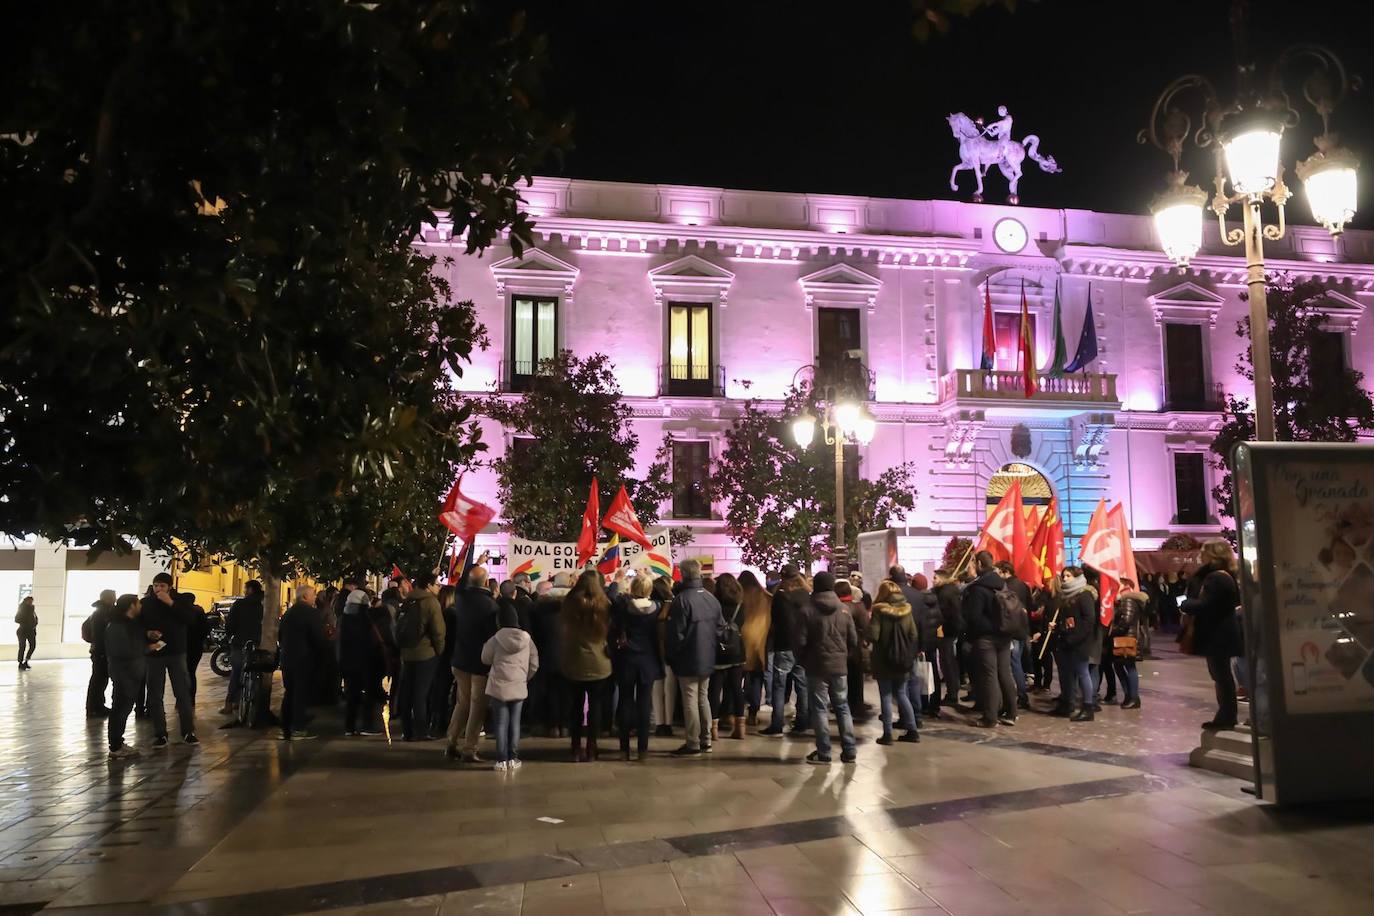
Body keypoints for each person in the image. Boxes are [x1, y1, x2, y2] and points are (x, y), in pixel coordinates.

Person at [797, 571, 859, 764]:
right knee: (842, 707)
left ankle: (824, 752)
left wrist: (804, 660)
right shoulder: (844, 610)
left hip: (816, 666)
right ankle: (849, 750)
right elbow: (853, 639)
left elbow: (800, 642)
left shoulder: (806, 610)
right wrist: (843, 655)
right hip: (839, 665)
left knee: (820, 708)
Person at [1182, 539, 1243, 730]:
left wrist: (1185, 604)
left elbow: (1208, 605)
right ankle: (1225, 714)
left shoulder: (1218, 578)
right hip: (1217, 633)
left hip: (1219, 634)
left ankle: (1227, 715)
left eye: (1204, 551)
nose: (1201, 554)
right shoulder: (1215, 576)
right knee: (1219, 674)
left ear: (1214, 554)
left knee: (1221, 675)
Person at [667, 559, 724, 757]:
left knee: (690, 698)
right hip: (708, 655)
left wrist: (672, 656)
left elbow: (676, 634)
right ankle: (705, 740)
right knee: (703, 698)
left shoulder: (681, 600)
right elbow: (720, 628)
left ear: (683, 574)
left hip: (688, 657)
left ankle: (692, 742)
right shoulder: (710, 598)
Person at [447, 565, 498, 762]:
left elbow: (460, 585)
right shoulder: (491, 606)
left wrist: (476, 561)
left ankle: (451, 741)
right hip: (480, 663)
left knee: (462, 703)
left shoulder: (461, 599)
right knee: (478, 707)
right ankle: (469, 748)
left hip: (460, 660)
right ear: (486, 582)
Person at [961, 552, 1018, 729]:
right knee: (1005, 673)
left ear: (979, 564)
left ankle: (990, 717)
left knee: (989, 676)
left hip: (986, 638)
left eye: (972, 564)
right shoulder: (1002, 584)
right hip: (1004, 634)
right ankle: (1011, 712)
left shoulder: (978, 588)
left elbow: (974, 618)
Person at [561, 569, 613, 761]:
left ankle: (575, 747)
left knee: (575, 706)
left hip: (573, 660)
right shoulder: (605, 605)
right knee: (596, 706)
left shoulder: (569, 603)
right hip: (599, 662)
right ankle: (592, 746)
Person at [141, 574, 198, 748]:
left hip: (176, 652)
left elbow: (190, 619)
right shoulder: (146, 603)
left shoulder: (180, 601)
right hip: (155, 653)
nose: (158, 589)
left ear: (170, 588)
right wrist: (147, 633)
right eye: (156, 585)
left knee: (182, 693)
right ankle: (160, 733)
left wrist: (170, 603)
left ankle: (188, 731)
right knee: (154, 694)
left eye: (162, 586)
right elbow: (138, 623)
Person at [610, 574, 663, 760]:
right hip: (647, 660)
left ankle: (624, 747)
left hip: (627, 658)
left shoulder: (623, 607)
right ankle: (643, 748)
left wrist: (618, 581)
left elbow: (613, 596)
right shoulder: (657, 608)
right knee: (644, 705)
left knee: (625, 702)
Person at [482, 603, 539, 771]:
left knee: (500, 724)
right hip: (519, 686)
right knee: (515, 723)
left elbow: (485, 658)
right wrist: (524, 678)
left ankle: (501, 760)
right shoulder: (527, 639)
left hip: (498, 686)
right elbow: (534, 663)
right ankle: (513, 758)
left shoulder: (495, 638)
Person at [394, 572, 446, 741]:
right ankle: (421, 731)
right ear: (429, 586)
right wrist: (440, 651)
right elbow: (438, 631)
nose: (438, 587)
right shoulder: (431, 602)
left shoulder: (409, 600)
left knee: (407, 692)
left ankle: (407, 731)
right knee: (420, 694)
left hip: (407, 652)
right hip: (425, 653)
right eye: (437, 584)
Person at [760, 566, 810, 737]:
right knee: (802, 685)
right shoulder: (805, 595)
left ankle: (777, 724)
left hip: (784, 645)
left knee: (779, 686)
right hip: (802, 646)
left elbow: (774, 621)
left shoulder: (780, 597)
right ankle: (802, 722)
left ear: (783, 578)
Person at [868, 580, 919, 745]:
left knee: (886, 695)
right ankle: (912, 730)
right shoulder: (907, 610)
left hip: (883, 658)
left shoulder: (879, 611)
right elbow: (913, 634)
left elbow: (874, 636)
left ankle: (888, 734)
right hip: (903, 659)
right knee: (902, 694)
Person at [278, 585, 328, 740]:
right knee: (301, 693)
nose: (315, 598)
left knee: (289, 692)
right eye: (313, 595)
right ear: (305, 597)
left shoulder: (288, 613)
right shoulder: (312, 613)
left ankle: (284, 728)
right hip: (304, 660)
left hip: (287, 659)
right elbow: (318, 638)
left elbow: (280, 635)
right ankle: (299, 728)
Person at [529, 571, 572, 737]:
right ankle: (565, 725)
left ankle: (553, 725)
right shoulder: (573, 605)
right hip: (569, 654)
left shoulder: (539, 606)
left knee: (551, 691)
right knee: (567, 692)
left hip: (546, 653)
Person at [106, 594, 149, 759]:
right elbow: (123, 650)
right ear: (131, 606)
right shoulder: (118, 626)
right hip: (124, 674)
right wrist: (147, 648)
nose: (140, 606)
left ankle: (117, 744)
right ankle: (116, 747)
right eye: (138, 603)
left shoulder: (128, 624)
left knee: (122, 709)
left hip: (130, 673)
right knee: (120, 709)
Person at [340, 588, 386, 736]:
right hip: (366, 662)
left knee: (352, 695)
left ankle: (349, 726)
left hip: (349, 662)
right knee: (369, 694)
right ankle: (367, 725)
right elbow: (373, 640)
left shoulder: (344, 619)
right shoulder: (366, 620)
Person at [1056, 567, 1099, 722]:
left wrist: (1075, 638)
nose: (1065, 578)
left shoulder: (1084, 595)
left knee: (1083, 673)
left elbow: (1089, 621)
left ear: (1077, 577)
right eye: (1063, 576)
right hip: (1068, 640)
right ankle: (1069, 702)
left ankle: (1088, 707)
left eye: (1068, 576)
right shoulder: (1066, 596)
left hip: (1080, 642)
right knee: (1069, 674)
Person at [710, 573, 747, 741]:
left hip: (718, 651)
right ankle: (740, 727)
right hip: (736, 650)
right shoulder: (740, 605)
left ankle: (713, 729)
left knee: (714, 690)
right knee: (737, 688)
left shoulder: (714, 604)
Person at [994, 561, 1033, 711]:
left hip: (1012, 630)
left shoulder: (1006, 587)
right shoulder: (1023, 585)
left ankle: (1021, 696)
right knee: (1018, 663)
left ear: (1004, 571)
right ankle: (1022, 695)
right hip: (1022, 629)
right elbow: (1030, 606)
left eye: (998, 571)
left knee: (1014, 663)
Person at [223, 580, 264, 714]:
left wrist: (230, 636)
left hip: (240, 643)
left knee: (236, 672)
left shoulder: (240, 604)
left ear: (251, 589)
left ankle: (230, 703)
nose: (244, 591)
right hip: (257, 643)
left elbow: (230, 623)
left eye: (246, 588)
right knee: (253, 673)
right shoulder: (263, 604)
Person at [737, 571, 771, 728]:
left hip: (740, 642)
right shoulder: (766, 597)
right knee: (756, 680)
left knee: (736, 680)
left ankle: (735, 713)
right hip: (760, 643)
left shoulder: (738, 596)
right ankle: (753, 713)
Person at [835, 579, 871, 722]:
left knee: (842, 680)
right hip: (856, 649)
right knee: (856, 678)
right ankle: (858, 705)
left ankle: (844, 704)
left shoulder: (837, 607)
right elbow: (866, 626)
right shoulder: (859, 607)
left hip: (839, 649)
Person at [649, 576, 678, 736]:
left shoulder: (651, 607)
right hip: (670, 653)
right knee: (670, 690)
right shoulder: (674, 606)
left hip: (654, 653)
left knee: (656, 689)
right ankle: (668, 723)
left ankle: (660, 724)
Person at [1111, 579, 1147, 710]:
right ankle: (1130, 696)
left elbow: (1126, 620)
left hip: (1127, 638)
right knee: (1120, 666)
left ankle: (1133, 697)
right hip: (1125, 637)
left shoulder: (1128, 600)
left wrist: (1113, 630)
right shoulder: (1125, 600)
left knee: (1129, 667)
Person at [933, 568, 963, 709]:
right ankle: (953, 691)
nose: (933, 581)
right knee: (949, 661)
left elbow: (942, 613)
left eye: (935, 578)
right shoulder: (952, 590)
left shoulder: (944, 593)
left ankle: (952, 694)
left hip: (946, 630)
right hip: (951, 630)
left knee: (947, 661)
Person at [86, 589, 116, 717]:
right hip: (101, 651)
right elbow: (101, 634)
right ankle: (94, 708)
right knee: (99, 679)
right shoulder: (103, 613)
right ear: (108, 598)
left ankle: (97, 706)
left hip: (98, 650)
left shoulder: (98, 612)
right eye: (113, 597)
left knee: (100, 680)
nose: (115, 599)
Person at [180, 592, 209, 701]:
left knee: (184, 673)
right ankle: (191, 698)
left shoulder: (184, 612)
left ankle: (182, 698)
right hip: (196, 647)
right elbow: (205, 629)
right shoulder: (200, 612)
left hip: (184, 646)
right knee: (192, 672)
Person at [15, 596, 37, 669]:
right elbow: (17, 619)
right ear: (26, 601)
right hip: (22, 631)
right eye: (29, 601)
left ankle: (26, 661)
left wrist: (34, 624)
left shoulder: (32, 609)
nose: (31, 603)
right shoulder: (22, 608)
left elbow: (34, 618)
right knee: (22, 647)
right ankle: (20, 663)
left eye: (32, 601)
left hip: (31, 631)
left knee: (33, 646)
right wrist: (26, 623)